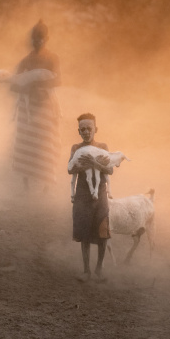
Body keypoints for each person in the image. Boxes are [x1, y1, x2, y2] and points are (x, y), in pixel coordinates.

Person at [11, 20, 61, 187]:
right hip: (29, 108)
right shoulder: (26, 60)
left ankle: (46, 184)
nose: (38, 41)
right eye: (35, 38)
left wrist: (40, 86)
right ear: (31, 39)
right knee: (27, 143)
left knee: (45, 143)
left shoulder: (53, 58)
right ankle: (26, 184)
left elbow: (58, 80)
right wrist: (29, 87)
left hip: (46, 106)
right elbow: (14, 84)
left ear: (47, 38)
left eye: (41, 38)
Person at [69, 113, 113, 282]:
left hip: (100, 195)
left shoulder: (103, 147)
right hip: (82, 196)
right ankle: (86, 270)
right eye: (83, 129)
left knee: (103, 233)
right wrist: (83, 163)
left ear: (96, 129)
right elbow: (70, 169)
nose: (86, 132)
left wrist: (94, 163)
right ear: (79, 131)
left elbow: (110, 170)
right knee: (84, 233)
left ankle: (99, 270)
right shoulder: (75, 148)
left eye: (89, 128)